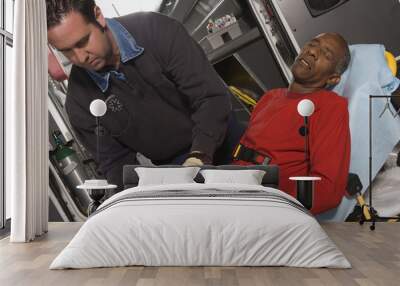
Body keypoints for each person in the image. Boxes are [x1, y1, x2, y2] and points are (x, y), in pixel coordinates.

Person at [46, 0, 239, 188]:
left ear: (98, 16)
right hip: (175, 169)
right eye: (67, 51)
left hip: (228, 141)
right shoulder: (80, 104)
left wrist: (199, 156)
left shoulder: (157, 30)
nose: (80, 57)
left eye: (83, 41)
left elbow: (210, 98)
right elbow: (115, 165)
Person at [233, 33, 351, 214]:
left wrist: (279, 211)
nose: (313, 52)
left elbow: (328, 190)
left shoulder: (330, 107)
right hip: (232, 189)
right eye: (313, 43)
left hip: (263, 206)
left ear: (333, 78)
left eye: (326, 55)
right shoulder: (270, 97)